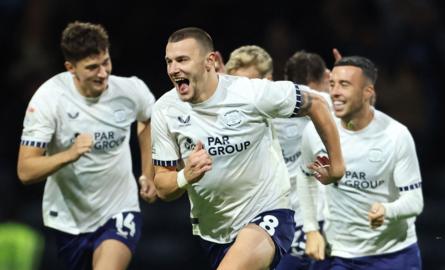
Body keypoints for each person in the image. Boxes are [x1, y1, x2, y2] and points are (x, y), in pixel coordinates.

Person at [151, 27, 345, 270]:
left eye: (182, 60)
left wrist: (337, 166)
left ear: (209, 61)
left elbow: (315, 103)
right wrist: (185, 175)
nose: (173, 69)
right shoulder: (165, 110)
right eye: (169, 62)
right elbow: (162, 185)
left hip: (268, 212)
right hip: (213, 232)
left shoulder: (249, 93)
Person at [17, 21, 157, 270]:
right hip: (69, 219)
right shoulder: (49, 99)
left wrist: (148, 172)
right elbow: (26, 170)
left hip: (120, 209)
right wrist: (69, 154)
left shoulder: (130, 90)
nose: (103, 73)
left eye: (106, 62)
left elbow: (146, 120)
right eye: (92, 67)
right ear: (71, 68)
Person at [298, 56, 424, 269]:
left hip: (393, 254)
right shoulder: (316, 130)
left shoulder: (396, 135)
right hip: (339, 254)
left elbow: (415, 200)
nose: (335, 92)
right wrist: (310, 229)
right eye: (332, 84)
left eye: (344, 85)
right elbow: (306, 177)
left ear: (368, 92)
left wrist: (387, 211)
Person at [226, 46, 331, 270]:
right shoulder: (227, 117)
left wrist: (338, 82)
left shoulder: (293, 99)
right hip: (257, 221)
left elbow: (345, 109)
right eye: (236, 84)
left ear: (269, 80)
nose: (242, 92)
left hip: (305, 217)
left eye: (250, 82)